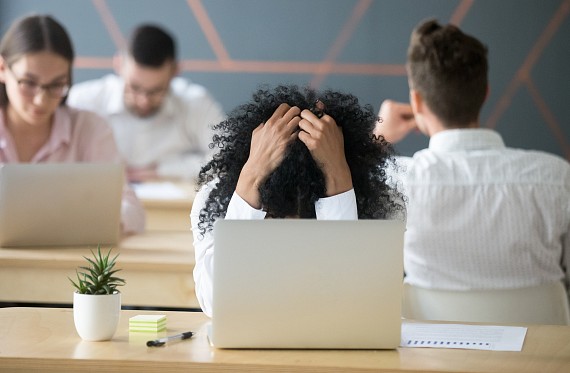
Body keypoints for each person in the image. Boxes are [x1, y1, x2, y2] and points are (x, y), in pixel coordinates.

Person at [374, 20, 570, 295]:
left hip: (430, 339)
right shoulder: (558, 179)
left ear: (416, 102)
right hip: (541, 338)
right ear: (485, 93)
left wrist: (376, 138)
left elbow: (341, 205)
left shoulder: (397, 181)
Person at [191, 84, 406, 316]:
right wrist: (251, 178)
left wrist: (338, 179)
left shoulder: (382, 201)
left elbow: (358, 306)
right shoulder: (216, 199)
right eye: (275, 214)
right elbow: (216, 303)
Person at [0, 14, 145, 234]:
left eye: (56, 85)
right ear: (2, 68)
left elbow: (132, 210)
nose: (41, 99)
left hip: (73, 263)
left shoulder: (90, 129)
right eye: (29, 83)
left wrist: (91, 222)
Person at [67, 24, 225, 182]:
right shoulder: (82, 101)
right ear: (118, 65)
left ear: (175, 71)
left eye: (156, 90)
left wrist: (164, 171)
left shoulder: (195, 102)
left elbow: (227, 159)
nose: (144, 101)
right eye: (134, 88)